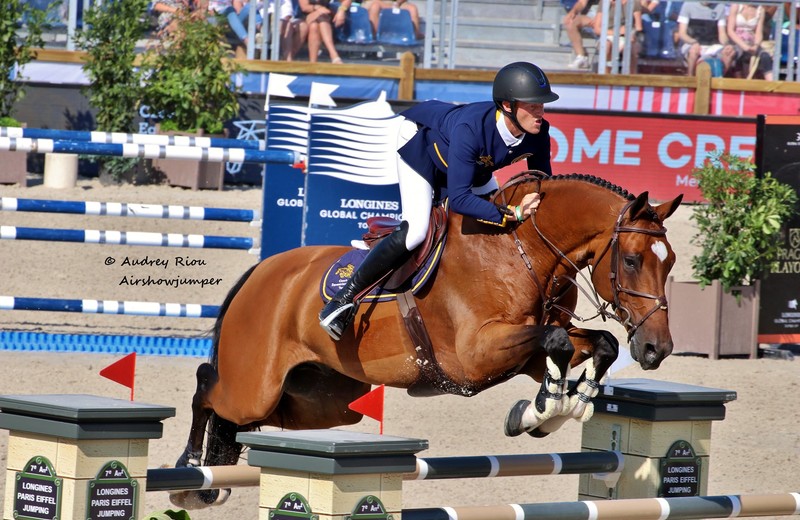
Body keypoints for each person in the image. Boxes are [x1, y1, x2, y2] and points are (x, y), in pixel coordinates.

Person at [319, 61, 558, 340]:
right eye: (533, 106)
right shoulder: (472, 129)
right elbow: (459, 199)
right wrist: (513, 212)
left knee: (494, 215)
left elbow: (542, 180)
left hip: (470, 165)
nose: (540, 112)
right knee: (417, 230)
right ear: (508, 106)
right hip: (421, 144)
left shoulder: (539, 131)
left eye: (542, 105)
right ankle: (343, 301)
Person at [677, 1, 736, 76]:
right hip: (692, 43)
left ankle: (720, 79)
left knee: (729, 53)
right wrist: (694, 43)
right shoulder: (688, 5)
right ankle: (690, 77)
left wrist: (727, 45)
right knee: (694, 50)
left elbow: (722, 34)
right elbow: (682, 33)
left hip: (713, 45)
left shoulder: (720, 7)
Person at [726, 3, 774, 80]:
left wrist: (756, 45)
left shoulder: (760, 10)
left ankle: (772, 85)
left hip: (751, 41)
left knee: (765, 56)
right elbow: (730, 31)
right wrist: (744, 46)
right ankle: (739, 84)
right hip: (736, 41)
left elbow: (758, 32)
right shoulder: (736, 6)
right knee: (738, 55)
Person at [563, 0, 600, 69]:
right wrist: (573, 12)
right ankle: (581, 57)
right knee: (570, 22)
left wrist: (599, 19)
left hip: (609, 17)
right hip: (593, 14)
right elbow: (582, 2)